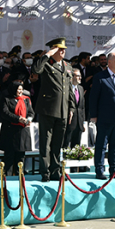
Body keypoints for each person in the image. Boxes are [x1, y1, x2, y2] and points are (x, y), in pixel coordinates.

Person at [32, 38, 74, 182]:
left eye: (64, 49)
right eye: (59, 48)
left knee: (58, 143)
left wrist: (71, 108)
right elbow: (36, 70)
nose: (63, 51)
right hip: (48, 110)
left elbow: (69, 90)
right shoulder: (46, 64)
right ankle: (45, 172)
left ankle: (55, 171)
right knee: (46, 143)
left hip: (63, 110)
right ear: (53, 49)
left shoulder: (67, 66)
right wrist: (46, 55)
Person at [88, 52, 115, 180]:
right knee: (101, 145)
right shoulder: (100, 77)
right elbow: (94, 97)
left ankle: (114, 169)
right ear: (109, 62)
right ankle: (100, 170)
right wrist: (93, 115)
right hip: (104, 117)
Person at [0, 80, 35, 173]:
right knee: (9, 158)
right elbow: (5, 113)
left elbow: (31, 112)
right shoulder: (6, 99)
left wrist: (29, 119)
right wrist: (18, 118)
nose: (20, 92)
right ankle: (7, 180)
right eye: (18, 89)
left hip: (22, 131)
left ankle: (20, 179)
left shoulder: (26, 99)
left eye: (22, 89)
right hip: (10, 132)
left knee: (20, 157)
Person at [64, 68, 88, 149]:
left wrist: (83, 122)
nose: (80, 78)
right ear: (72, 77)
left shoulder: (81, 88)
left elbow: (82, 107)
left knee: (76, 146)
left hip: (79, 122)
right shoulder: (66, 88)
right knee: (66, 144)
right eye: (78, 76)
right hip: (69, 121)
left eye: (80, 76)